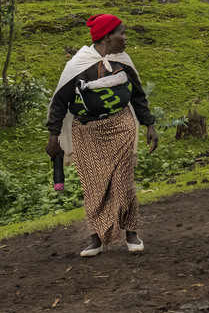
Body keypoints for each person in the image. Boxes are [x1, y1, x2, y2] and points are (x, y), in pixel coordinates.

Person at [45, 14, 157, 257]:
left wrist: (149, 124)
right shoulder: (78, 65)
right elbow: (60, 103)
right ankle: (96, 238)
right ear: (107, 37)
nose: (125, 38)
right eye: (122, 33)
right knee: (93, 185)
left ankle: (131, 232)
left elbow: (137, 95)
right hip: (87, 132)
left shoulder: (123, 61)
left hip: (121, 125)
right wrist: (54, 137)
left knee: (123, 182)